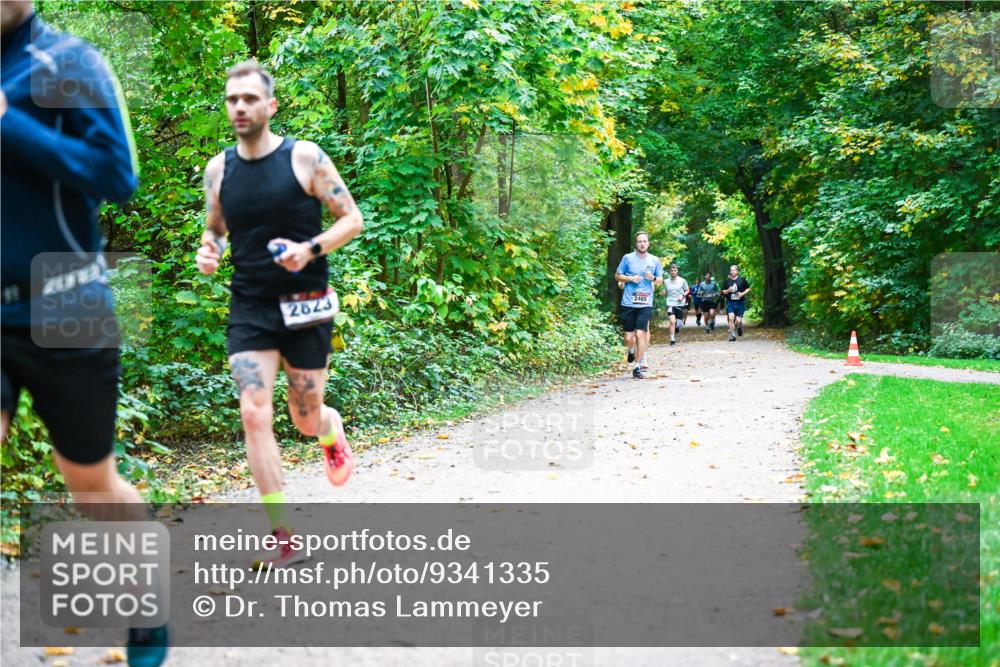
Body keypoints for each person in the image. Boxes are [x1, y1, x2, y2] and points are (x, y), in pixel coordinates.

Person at [0, 2, 168, 664]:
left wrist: (10, 126)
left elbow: (116, 176)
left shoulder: (68, 63)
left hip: (64, 303)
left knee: (91, 485)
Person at [195, 61, 363, 566]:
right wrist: (210, 250)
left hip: (305, 305)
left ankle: (329, 429)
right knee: (253, 412)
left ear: (270, 106)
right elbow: (216, 228)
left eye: (249, 98)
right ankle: (283, 532)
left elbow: (351, 218)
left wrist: (309, 249)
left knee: (304, 418)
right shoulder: (218, 169)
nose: (240, 107)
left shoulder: (304, 158)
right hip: (250, 305)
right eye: (232, 99)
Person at [614, 231, 662, 379]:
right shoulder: (627, 258)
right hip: (629, 302)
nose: (642, 244)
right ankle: (631, 350)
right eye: (639, 241)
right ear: (636, 244)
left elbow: (660, 280)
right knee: (629, 337)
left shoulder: (654, 260)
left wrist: (653, 278)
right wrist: (629, 278)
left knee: (640, 333)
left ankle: (637, 367)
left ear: (648, 243)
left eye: (644, 241)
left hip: (645, 302)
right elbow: (617, 276)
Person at [662, 264, 689, 347]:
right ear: (669, 271)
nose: (673, 272)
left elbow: (687, 290)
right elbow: (665, 291)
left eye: (675, 270)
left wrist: (683, 295)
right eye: (672, 270)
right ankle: (672, 339)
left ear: (677, 271)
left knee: (679, 324)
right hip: (670, 303)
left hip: (680, 304)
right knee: (672, 321)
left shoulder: (682, 281)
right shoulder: (666, 281)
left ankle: (678, 327)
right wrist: (664, 292)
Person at [722, 264, 750, 342]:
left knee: (738, 321)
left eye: (734, 270)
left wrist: (742, 294)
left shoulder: (742, 280)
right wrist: (728, 290)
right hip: (730, 302)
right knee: (731, 318)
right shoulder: (727, 281)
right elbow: (723, 292)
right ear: (730, 271)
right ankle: (732, 335)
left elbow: (748, 288)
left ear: (737, 271)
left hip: (740, 302)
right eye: (731, 270)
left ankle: (739, 327)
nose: (733, 271)